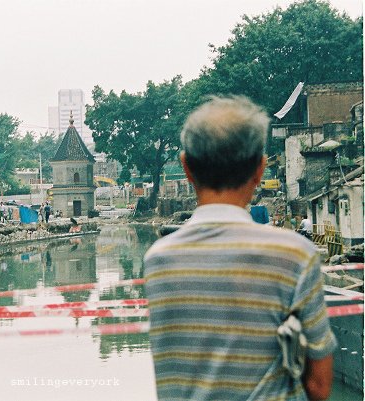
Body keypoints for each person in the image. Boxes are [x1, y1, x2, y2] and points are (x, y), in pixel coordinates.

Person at [144, 96, 336, 401]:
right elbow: (319, 385)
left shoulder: (157, 260)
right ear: (260, 170)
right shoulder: (295, 255)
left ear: (186, 168)